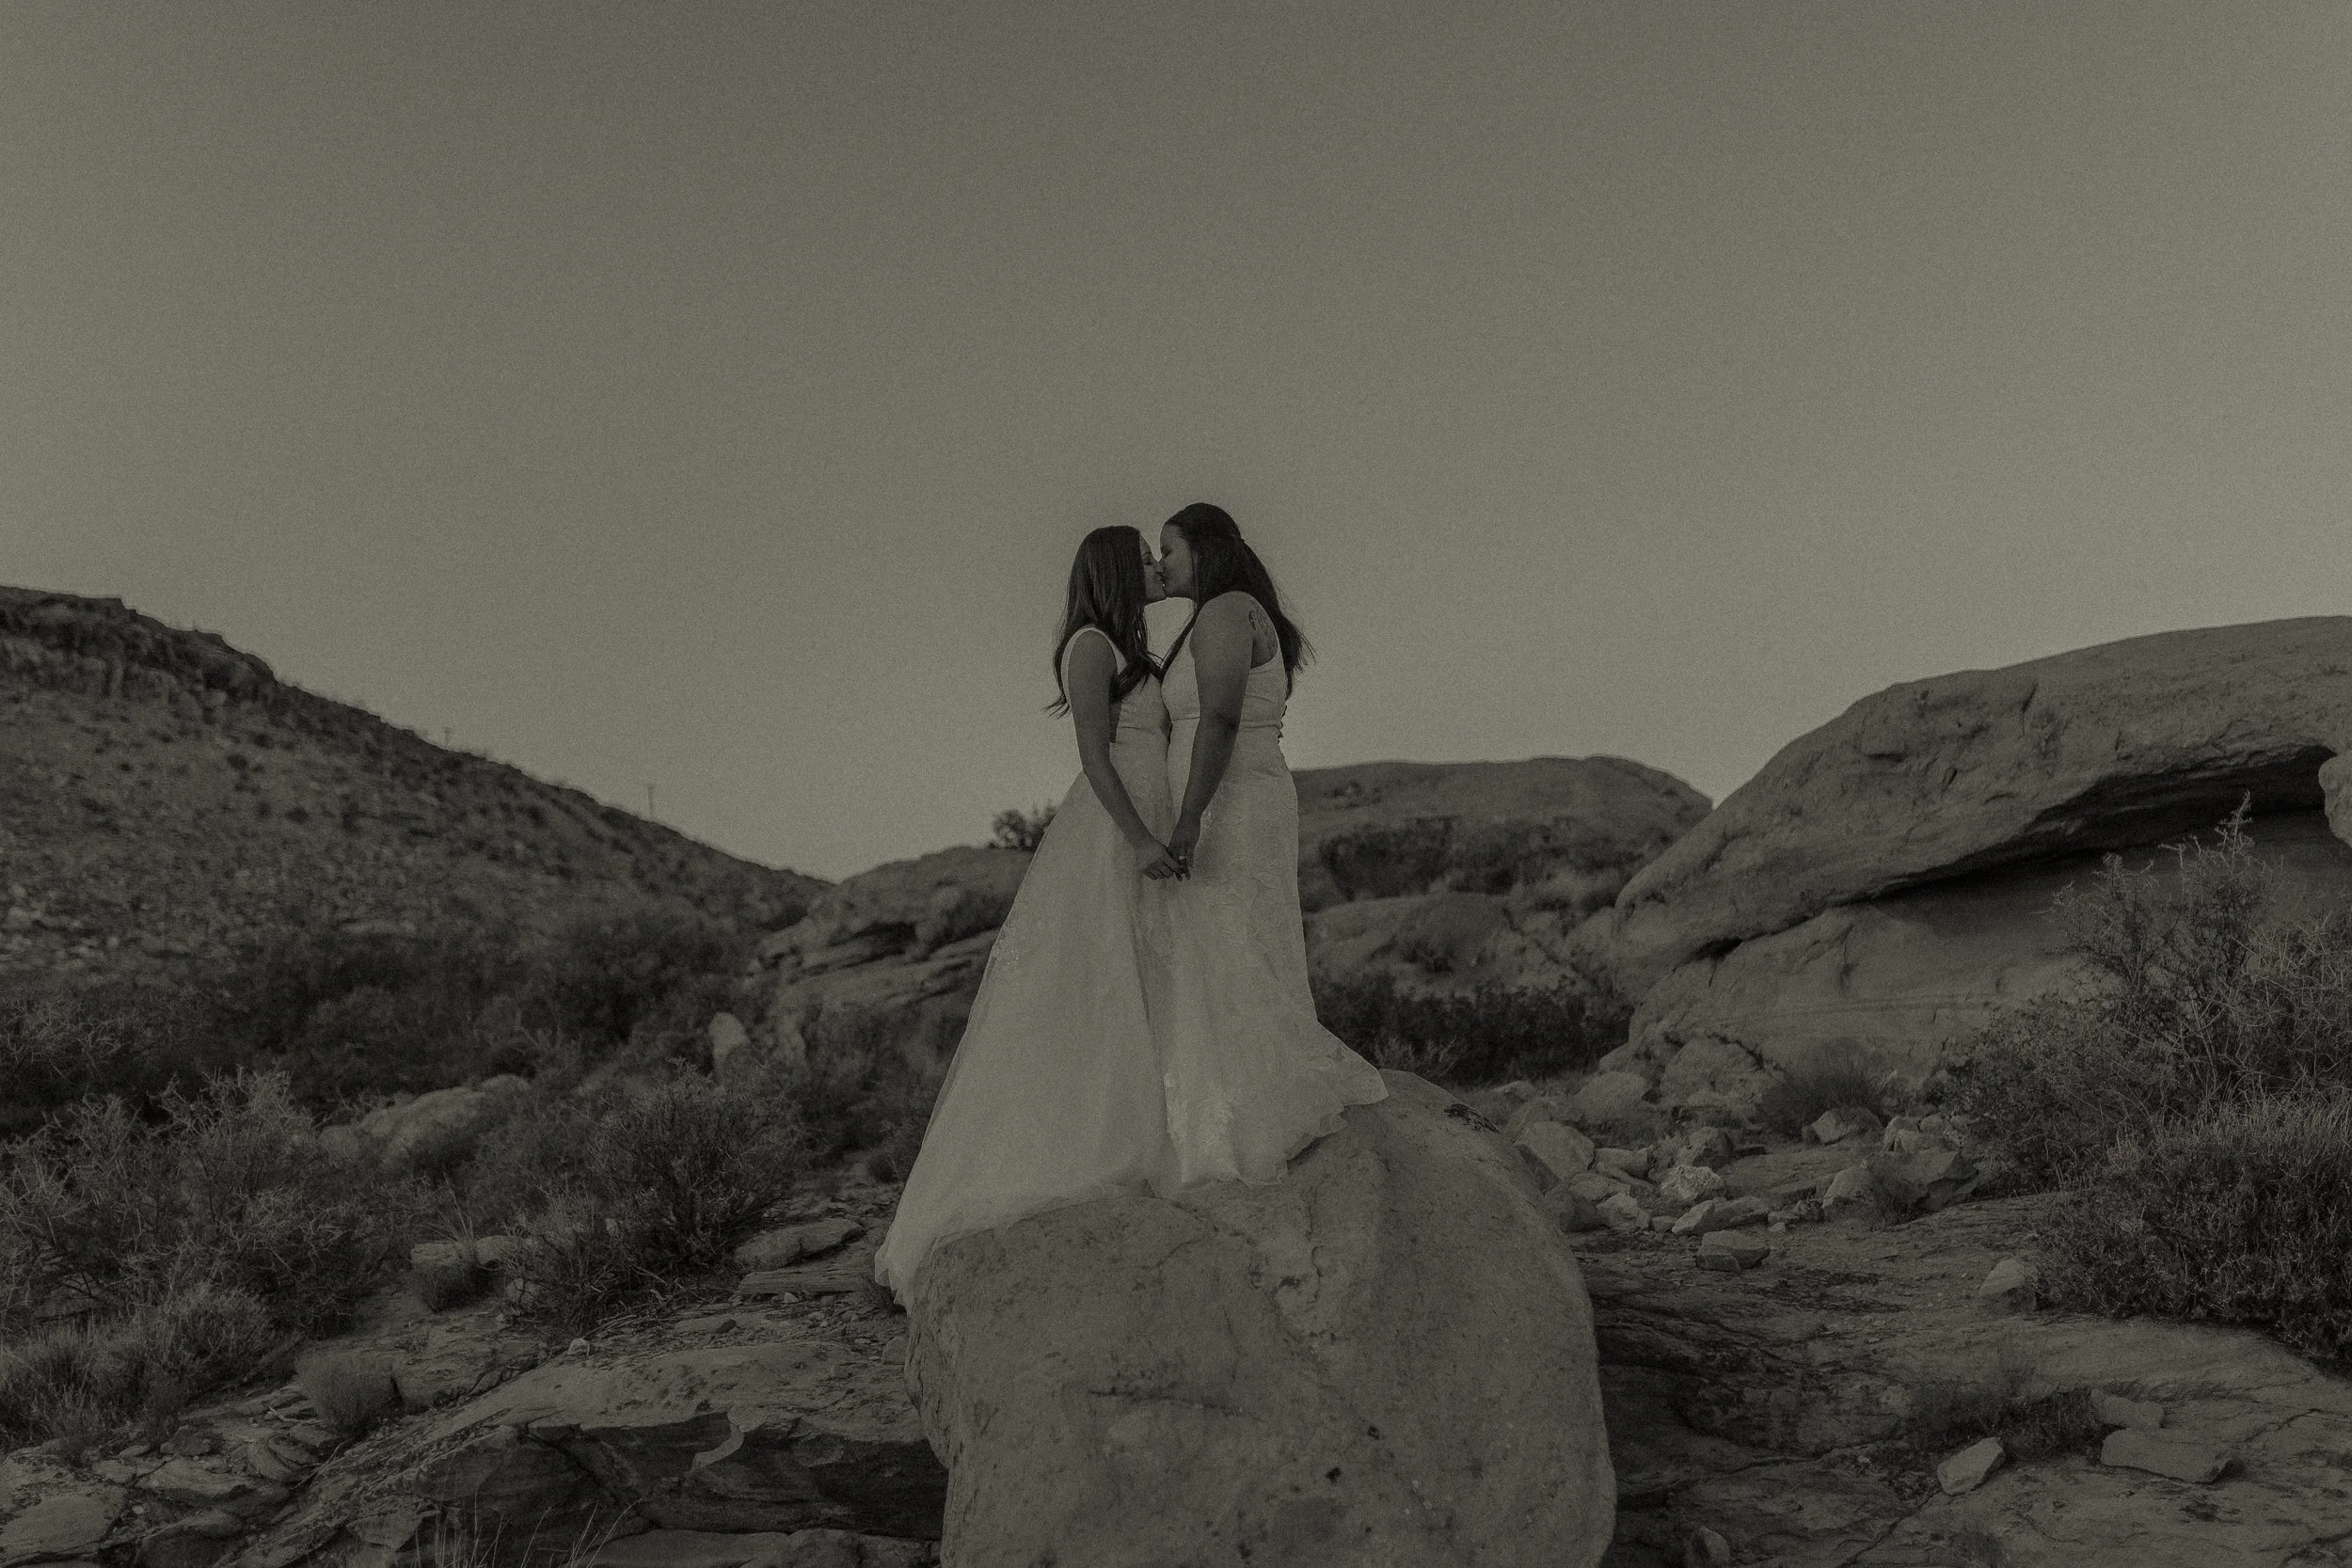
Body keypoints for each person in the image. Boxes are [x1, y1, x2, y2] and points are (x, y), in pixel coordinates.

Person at [872, 525, 1184, 1304]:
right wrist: (1142, 837)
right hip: (1114, 834)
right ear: (1115, 570)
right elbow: (1093, 755)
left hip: (1148, 820)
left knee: (1144, 982)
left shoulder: (1133, 652)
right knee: (1097, 985)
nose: (1154, 568)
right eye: (1143, 558)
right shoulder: (1090, 647)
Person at [1153, 502, 1388, 1186]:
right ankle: (1226, 1109)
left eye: (1168, 549)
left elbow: (1220, 717)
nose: (1161, 563)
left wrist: (1190, 814)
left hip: (1230, 801)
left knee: (1236, 940)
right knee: (1231, 942)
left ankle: (1252, 1116)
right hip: (1241, 793)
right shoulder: (1230, 610)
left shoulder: (1226, 610)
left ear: (1202, 548)